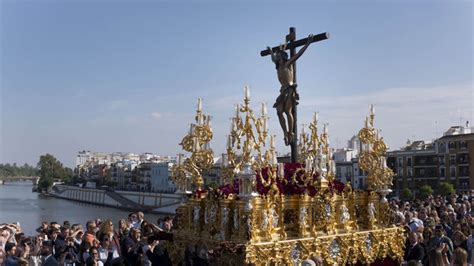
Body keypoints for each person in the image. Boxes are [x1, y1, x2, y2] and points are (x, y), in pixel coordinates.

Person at [266, 34, 313, 146]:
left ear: (282, 57)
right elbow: (273, 58)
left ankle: (291, 132)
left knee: (288, 111)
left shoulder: (288, 64)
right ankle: (285, 133)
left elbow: (298, 54)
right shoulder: (279, 67)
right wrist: (271, 52)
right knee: (279, 111)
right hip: (282, 91)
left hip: (290, 90)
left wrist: (307, 44)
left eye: (278, 55)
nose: (276, 57)